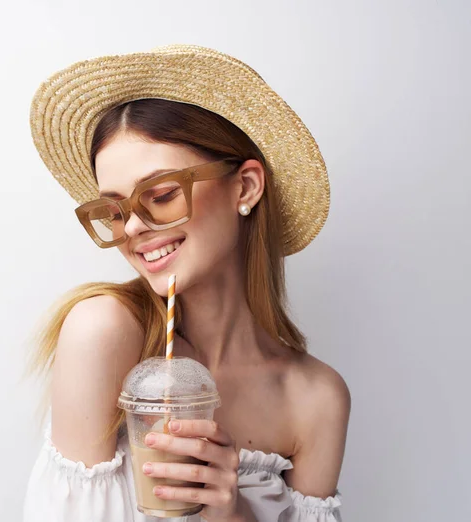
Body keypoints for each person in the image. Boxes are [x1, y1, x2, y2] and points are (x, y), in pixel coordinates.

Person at [23, 45, 350, 522]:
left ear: (245, 187)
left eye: (160, 194)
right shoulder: (105, 333)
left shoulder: (317, 398)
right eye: (115, 210)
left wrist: (229, 512)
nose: (132, 228)